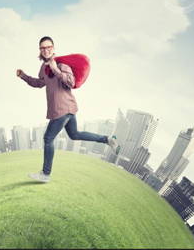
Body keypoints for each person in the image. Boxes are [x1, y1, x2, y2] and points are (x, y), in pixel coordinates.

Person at [16, 36, 120, 183]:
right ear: (40, 50)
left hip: (62, 108)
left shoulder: (62, 64)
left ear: (53, 48)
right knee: (75, 134)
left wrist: (56, 69)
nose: (46, 50)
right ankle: (108, 140)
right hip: (67, 108)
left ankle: (45, 174)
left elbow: (70, 82)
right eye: (43, 48)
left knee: (48, 138)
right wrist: (24, 76)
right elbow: (39, 83)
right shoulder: (43, 68)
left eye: (48, 47)